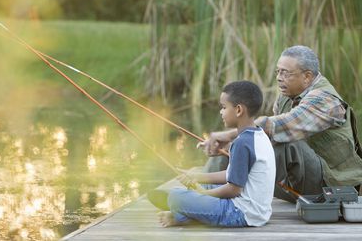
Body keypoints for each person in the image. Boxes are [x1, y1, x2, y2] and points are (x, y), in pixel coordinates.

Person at [201, 45, 362, 202]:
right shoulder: (285, 97)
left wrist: (229, 134)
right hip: (293, 183)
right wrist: (231, 146)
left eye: (285, 73)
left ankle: (217, 196)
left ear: (307, 76)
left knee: (285, 143)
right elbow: (262, 140)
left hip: (330, 187)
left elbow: (281, 126)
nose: (279, 78)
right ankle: (202, 193)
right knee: (238, 145)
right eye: (278, 72)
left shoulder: (325, 100)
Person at [149, 81, 276, 227]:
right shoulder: (258, 135)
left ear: (239, 110)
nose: (221, 112)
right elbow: (231, 175)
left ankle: (180, 212)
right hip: (259, 212)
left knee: (177, 197)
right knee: (199, 188)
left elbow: (233, 189)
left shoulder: (242, 143)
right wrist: (196, 177)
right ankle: (186, 209)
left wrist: (204, 195)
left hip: (240, 213)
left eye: (223, 107)